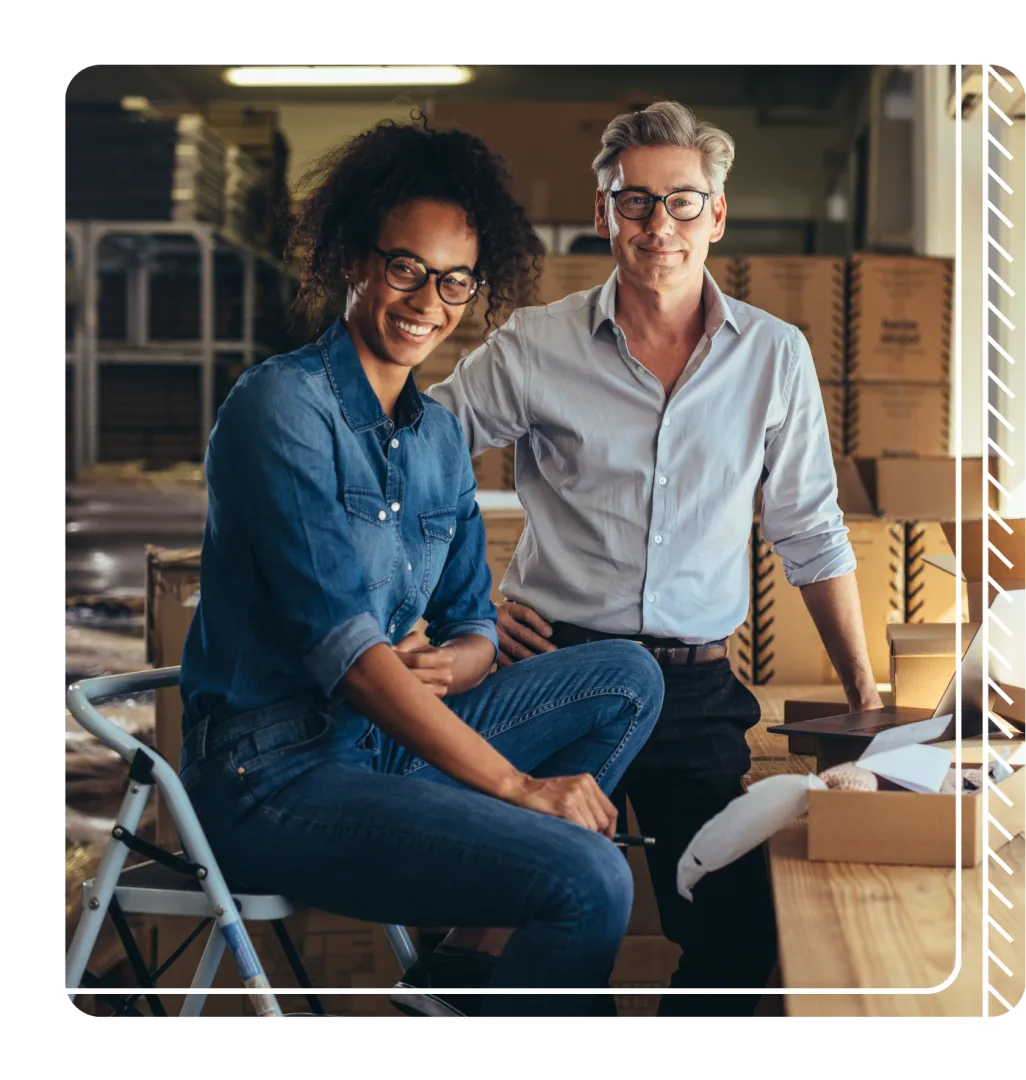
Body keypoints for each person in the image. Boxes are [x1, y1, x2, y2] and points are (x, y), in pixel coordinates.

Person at [177, 117, 665, 1024]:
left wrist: (462, 658)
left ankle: (461, 976)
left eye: (454, 280)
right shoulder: (280, 408)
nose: (426, 300)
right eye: (405, 267)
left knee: (630, 676)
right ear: (353, 256)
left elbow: (473, 616)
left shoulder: (439, 433)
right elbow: (348, 654)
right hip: (272, 778)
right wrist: (518, 788)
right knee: (593, 880)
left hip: (382, 747)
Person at [428, 101, 883, 1023]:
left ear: (717, 215)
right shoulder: (535, 345)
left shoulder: (775, 357)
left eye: (682, 203)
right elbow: (411, 463)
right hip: (554, 668)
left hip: (694, 686)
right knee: (559, 915)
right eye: (634, 203)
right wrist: (460, 605)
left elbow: (810, 530)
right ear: (603, 216)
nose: (658, 226)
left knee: (742, 925)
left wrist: (867, 700)